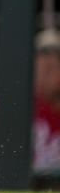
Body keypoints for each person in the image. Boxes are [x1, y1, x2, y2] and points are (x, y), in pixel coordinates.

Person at [33, 29, 60, 169]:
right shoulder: (27, 105)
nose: (41, 78)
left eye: (49, 69)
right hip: (31, 187)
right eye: (37, 70)